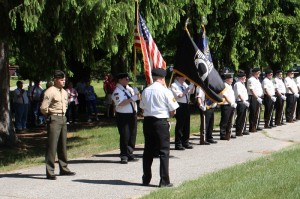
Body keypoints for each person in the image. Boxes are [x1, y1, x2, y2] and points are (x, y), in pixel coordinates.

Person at [140, 68, 179, 187]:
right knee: (164, 151)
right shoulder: (165, 91)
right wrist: (170, 115)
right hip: (160, 122)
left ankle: (146, 178)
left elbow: (142, 108)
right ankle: (164, 180)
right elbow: (173, 110)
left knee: (148, 151)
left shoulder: (145, 91)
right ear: (162, 79)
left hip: (147, 122)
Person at [40, 70, 76, 180]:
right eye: (61, 80)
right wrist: (50, 116)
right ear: (55, 80)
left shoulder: (64, 92)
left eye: (64, 80)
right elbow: (43, 108)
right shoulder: (50, 91)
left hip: (63, 118)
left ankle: (64, 168)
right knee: (52, 146)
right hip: (54, 118)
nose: (63, 82)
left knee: (63, 144)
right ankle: (50, 171)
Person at [111, 73, 139, 164]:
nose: (127, 80)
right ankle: (123, 155)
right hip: (123, 115)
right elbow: (120, 103)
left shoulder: (129, 89)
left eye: (128, 79)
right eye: (126, 79)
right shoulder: (117, 91)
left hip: (132, 114)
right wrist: (132, 98)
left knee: (132, 134)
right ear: (120, 80)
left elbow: (137, 97)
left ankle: (129, 152)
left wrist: (137, 93)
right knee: (125, 135)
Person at [170, 74, 194, 150]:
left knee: (187, 124)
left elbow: (191, 92)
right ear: (177, 77)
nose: (185, 78)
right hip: (179, 105)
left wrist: (192, 85)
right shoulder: (174, 85)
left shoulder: (184, 84)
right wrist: (187, 89)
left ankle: (185, 141)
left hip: (186, 104)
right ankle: (178, 143)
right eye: (183, 77)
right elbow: (180, 95)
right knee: (180, 124)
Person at [219, 73, 237, 140]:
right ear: (227, 79)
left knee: (230, 120)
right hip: (226, 105)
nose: (232, 80)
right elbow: (225, 95)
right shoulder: (224, 85)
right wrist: (231, 103)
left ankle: (228, 132)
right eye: (231, 79)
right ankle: (222, 134)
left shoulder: (229, 86)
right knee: (225, 120)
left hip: (231, 104)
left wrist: (233, 103)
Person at [247, 68, 264, 132]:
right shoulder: (251, 80)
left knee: (258, 112)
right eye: (258, 73)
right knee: (253, 113)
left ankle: (256, 125)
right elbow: (251, 90)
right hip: (253, 97)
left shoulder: (257, 80)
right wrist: (257, 98)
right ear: (253, 73)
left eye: (259, 73)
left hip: (258, 97)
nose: (259, 74)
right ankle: (252, 127)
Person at [233, 70, 249, 136]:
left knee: (244, 117)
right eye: (244, 77)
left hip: (244, 101)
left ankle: (243, 129)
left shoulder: (242, 84)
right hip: (241, 102)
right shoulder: (237, 84)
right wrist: (244, 101)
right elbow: (239, 94)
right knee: (240, 117)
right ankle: (239, 131)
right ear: (241, 77)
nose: (245, 78)